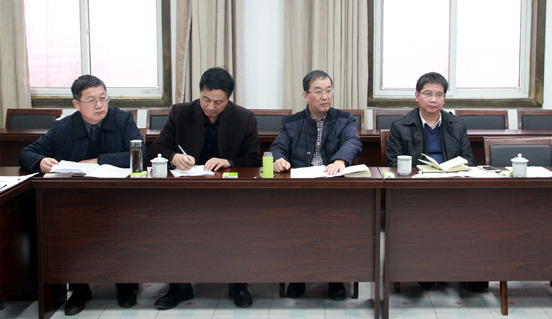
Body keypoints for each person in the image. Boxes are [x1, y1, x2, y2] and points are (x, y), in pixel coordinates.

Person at [18, 75, 142, 315]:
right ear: (76, 104)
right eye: (91, 100)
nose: (100, 105)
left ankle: (124, 285)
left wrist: (96, 161)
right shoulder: (63, 127)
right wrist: (41, 161)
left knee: (123, 227)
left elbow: (139, 154)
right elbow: (27, 153)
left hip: (118, 198)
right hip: (77, 200)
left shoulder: (122, 119)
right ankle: (79, 289)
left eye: (103, 98)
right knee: (68, 226)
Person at [150, 67, 261, 309]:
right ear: (199, 93)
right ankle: (179, 287)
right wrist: (173, 157)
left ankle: (238, 284)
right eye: (205, 99)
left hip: (228, 193)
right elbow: (157, 147)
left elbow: (254, 160)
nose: (210, 107)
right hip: (187, 191)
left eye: (218, 102)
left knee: (239, 223)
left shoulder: (244, 118)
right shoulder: (180, 113)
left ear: (228, 98)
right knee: (171, 222)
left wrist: (229, 161)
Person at [385, 72, 486, 293]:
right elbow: (393, 163)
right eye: (428, 94)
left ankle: (468, 270)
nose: (433, 100)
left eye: (439, 95)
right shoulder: (400, 126)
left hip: (452, 187)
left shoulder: (457, 124)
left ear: (444, 98)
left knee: (476, 215)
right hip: (417, 190)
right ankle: (426, 269)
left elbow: (468, 160)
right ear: (417, 96)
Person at [269, 70, 362, 300]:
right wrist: (279, 159)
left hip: (334, 189)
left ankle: (335, 279)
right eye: (318, 91)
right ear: (306, 95)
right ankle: (298, 276)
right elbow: (277, 147)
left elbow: (353, 141)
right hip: (301, 190)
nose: (325, 96)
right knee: (298, 229)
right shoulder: (292, 123)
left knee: (336, 229)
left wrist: (340, 160)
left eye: (329, 90)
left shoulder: (344, 119)